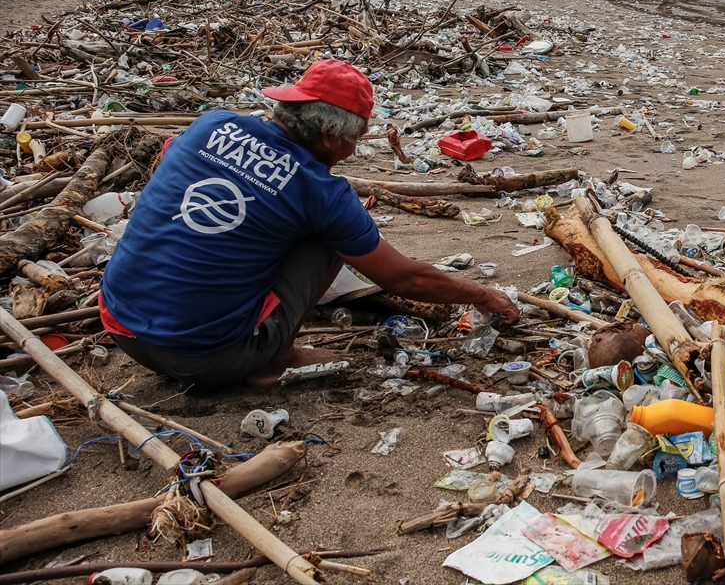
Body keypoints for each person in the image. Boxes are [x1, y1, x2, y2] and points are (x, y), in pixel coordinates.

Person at [98, 60, 518, 389]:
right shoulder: (320, 191)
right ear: (334, 136)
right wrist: (482, 294)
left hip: (120, 325)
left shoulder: (212, 124)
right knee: (330, 241)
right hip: (207, 360)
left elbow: (169, 163)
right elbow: (404, 279)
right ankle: (273, 363)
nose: (353, 150)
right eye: (356, 139)